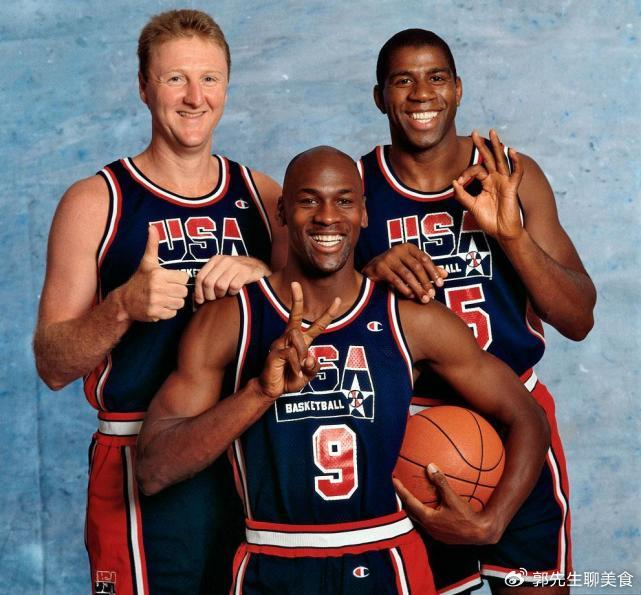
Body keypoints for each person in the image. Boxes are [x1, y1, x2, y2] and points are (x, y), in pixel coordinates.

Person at [135, 146, 550, 595]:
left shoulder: (412, 320)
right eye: (308, 200)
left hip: (388, 562)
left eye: (344, 201)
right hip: (270, 563)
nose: (328, 216)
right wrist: (258, 392)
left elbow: (527, 415)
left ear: (364, 213)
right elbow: (153, 470)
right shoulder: (230, 320)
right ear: (282, 212)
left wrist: (494, 521)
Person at [33, 9, 286, 595]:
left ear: (227, 86)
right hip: (135, 457)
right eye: (176, 79)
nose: (195, 97)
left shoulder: (263, 196)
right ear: (144, 87)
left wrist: (263, 276)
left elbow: (319, 315)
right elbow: (51, 364)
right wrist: (122, 305)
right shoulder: (96, 201)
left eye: (209, 78)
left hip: (247, 449)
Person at [355, 29, 597, 595]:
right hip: (412, 430)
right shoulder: (353, 191)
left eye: (436, 77)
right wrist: (366, 277)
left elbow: (578, 319)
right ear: (380, 97)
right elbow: (310, 324)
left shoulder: (510, 173)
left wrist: (512, 238)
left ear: (458, 88)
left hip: (517, 422)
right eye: (403, 80)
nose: (422, 93)